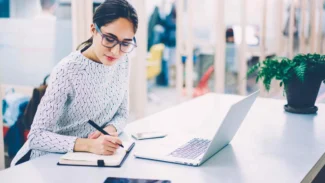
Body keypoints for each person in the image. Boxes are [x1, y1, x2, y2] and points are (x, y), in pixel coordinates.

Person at [11, 0, 138, 166]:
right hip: (50, 162)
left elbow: (121, 114)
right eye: (109, 39)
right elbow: (37, 136)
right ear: (93, 29)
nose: (116, 51)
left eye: (125, 43)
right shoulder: (67, 70)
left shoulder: (123, 61)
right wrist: (88, 145)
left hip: (92, 159)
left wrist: (108, 130)